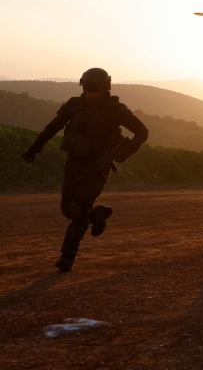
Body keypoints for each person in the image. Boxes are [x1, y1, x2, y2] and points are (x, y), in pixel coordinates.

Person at [21, 68, 148, 272]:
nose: (90, 95)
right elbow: (52, 127)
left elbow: (142, 131)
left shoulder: (116, 110)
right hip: (74, 164)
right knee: (67, 209)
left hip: (98, 167)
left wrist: (125, 151)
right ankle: (97, 215)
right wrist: (33, 149)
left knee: (78, 209)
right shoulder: (74, 105)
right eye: (88, 90)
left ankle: (67, 256)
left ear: (105, 89)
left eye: (95, 91)